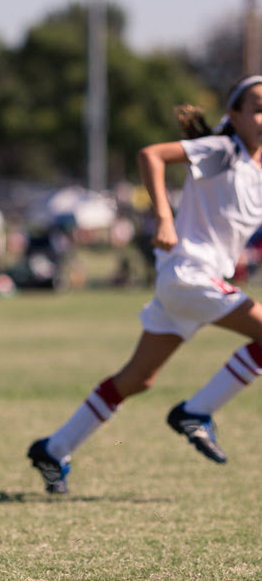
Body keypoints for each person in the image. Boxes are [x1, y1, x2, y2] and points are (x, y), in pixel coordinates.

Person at [27, 75, 262, 494]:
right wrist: (165, 218)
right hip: (191, 275)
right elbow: (151, 155)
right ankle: (197, 412)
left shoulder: (253, 168)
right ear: (235, 116)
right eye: (258, 107)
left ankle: (54, 447)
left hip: (189, 283)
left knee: (138, 380)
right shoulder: (224, 150)